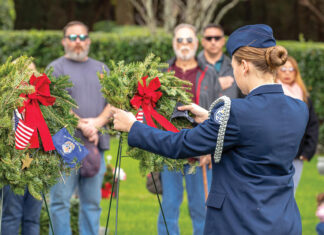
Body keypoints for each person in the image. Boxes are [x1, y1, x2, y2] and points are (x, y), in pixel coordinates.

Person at [113, 24, 309, 235]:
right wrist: (211, 117)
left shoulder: (235, 112)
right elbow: (259, 132)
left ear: (244, 66)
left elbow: (182, 144)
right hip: (283, 221)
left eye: (233, 67)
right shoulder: (299, 108)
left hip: (239, 223)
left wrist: (133, 127)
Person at [47, 21, 114, 235]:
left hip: (95, 145)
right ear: (64, 41)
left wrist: (96, 123)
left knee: (92, 204)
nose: (78, 42)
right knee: (60, 203)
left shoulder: (102, 69)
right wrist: (81, 125)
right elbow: (53, 102)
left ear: (89, 41)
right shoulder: (55, 68)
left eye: (83, 37)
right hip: (65, 145)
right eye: (73, 37)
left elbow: (114, 101)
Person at [156, 23, 220, 235]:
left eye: (189, 40)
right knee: (169, 206)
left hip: (200, 150)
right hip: (169, 149)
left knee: (201, 208)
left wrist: (210, 148)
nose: (184, 45)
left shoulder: (209, 74)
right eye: (180, 40)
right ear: (174, 43)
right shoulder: (162, 72)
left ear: (196, 43)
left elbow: (218, 112)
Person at [1, 62, 43, 235]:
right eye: (21, 72)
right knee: (12, 214)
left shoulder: (40, 102)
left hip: (37, 164)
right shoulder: (7, 103)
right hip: (12, 163)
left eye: (30, 72)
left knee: (33, 217)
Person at [276, 56, 319, 194]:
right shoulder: (273, 94)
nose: (287, 73)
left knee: (291, 192)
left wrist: (307, 151)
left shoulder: (303, 96)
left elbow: (312, 125)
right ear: (277, 71)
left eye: (291, 69)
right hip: (275, 152)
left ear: (296, 72)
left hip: (297, 154)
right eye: (283, 69)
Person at [198, 24, 239, 99]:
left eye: (217, 38)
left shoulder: (235, 66)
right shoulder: (193, 66)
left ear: (223, 41)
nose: (213, 42)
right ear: (203, 41)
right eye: (209, 38)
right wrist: (216, 84)